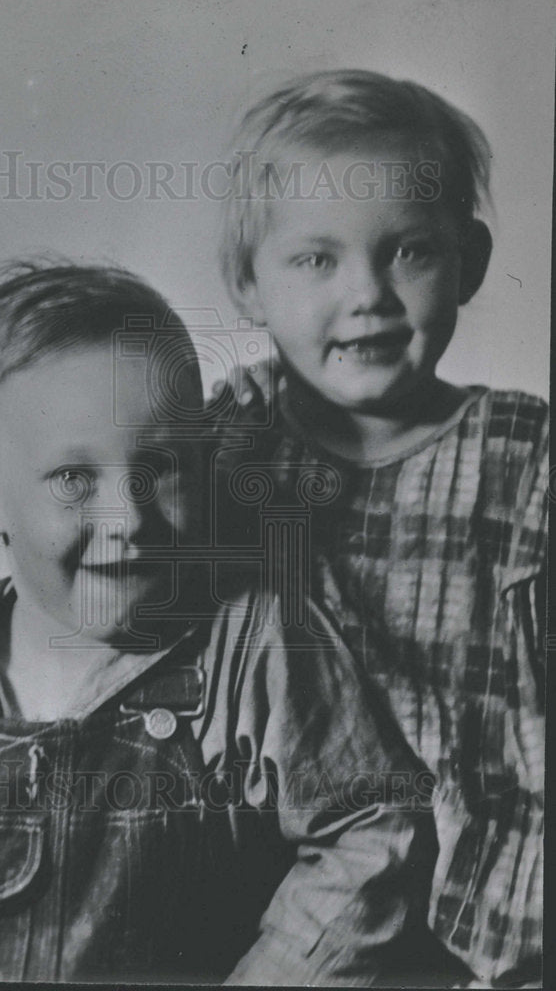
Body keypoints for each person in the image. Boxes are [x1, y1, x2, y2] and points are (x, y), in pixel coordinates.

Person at [0, 261, 436, 985]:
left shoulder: (257, 652)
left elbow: (372, 834)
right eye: (73, 479)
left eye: (159, 467)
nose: (130, 518)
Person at [213, 69, 546, 988]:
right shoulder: (229, 457)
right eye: (316, 260)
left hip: (492, 919)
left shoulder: (526, 456)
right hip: (294, 916)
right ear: (247, 283)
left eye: (409, 251)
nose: (368, 294)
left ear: (469, 262)